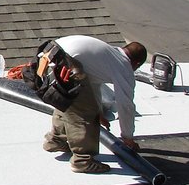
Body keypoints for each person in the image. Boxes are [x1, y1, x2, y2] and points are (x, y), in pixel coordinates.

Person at [42, 36, 147, 174]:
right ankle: (82, 161)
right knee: (85, 113)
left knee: (70, 101)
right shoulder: (123, 66)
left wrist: (99, 112)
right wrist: (127, 137)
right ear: (137, 63)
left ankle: (55, 140)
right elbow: (125, 106)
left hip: (49, 53)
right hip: (65, 62)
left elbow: (92, 86)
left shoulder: (108, 56)